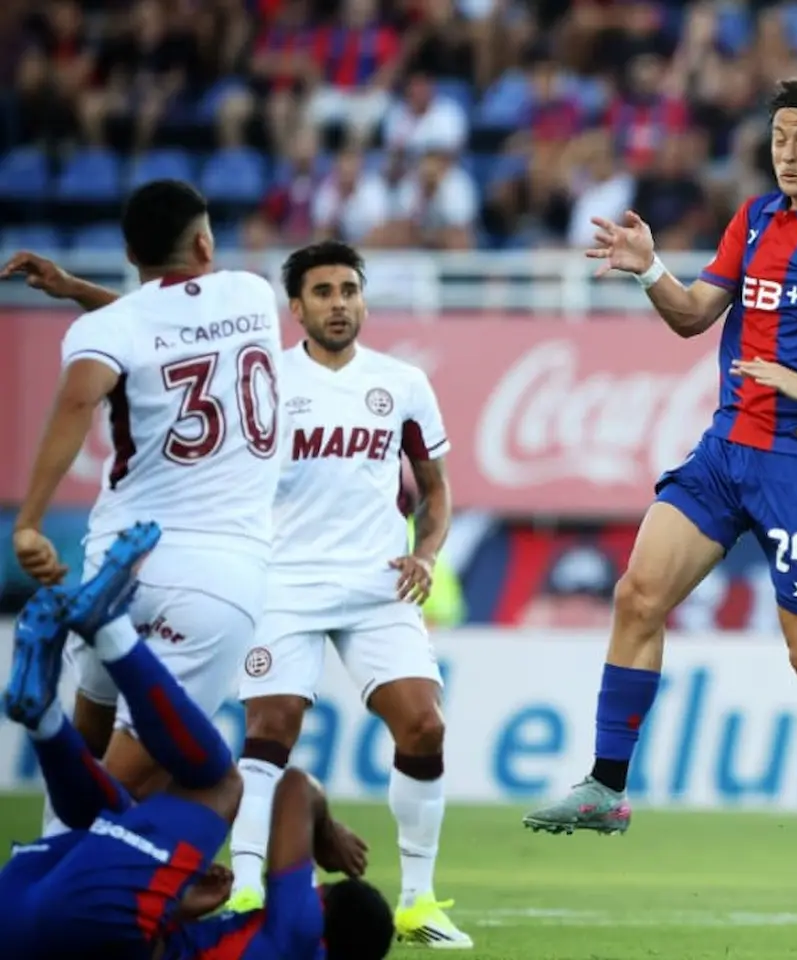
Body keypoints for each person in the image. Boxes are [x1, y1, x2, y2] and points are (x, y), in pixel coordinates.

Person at [519, 78, 797, 933]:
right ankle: (606, 785)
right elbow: (692, 317)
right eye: (777, 137)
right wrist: (651, 272)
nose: (785, 151)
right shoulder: (753, 219)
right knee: (637, 595)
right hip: (726, 451)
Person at [2, 179, 283, 828]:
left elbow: (84, 392)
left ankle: (43, 833)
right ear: (206, 241)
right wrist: (83, 295)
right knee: (121, 793)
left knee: (87, 744)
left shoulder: (111, 327)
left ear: (131, 254)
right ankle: (39, 896)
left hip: (119, 562)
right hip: (217, 573)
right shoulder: (252, 294)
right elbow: (175, 328)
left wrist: (29, 520)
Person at [0, 520, 395, 959]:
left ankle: (109, 634)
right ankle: (47, 722)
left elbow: (295, 789)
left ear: (320, 903)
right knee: (111, 817)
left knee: (219, 784)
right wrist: (181, 904)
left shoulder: (303, 934)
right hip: (23, 919)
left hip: (80, 906)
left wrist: (324, 830)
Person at [222, 241, 466, 946]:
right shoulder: (263, 385)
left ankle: (418, 901)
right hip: (284, 583)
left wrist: (424, 552)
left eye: (349, 290)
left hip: (377, 583)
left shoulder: (404, 382)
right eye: (323, 292)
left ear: (363, 300)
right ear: (295, 308)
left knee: (425, 727)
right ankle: (243, 888)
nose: (339, 303)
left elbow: (439, 490)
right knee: (270, 729)